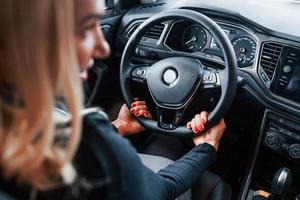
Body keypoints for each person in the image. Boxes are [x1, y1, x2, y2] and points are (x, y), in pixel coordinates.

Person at [0, 0, 226, 199]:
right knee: (214, 184)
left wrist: (118, 127)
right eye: (86, 29)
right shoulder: (91, 139)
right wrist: (207, 147)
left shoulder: (23, 129)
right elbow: (162, 190)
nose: (103, 47)